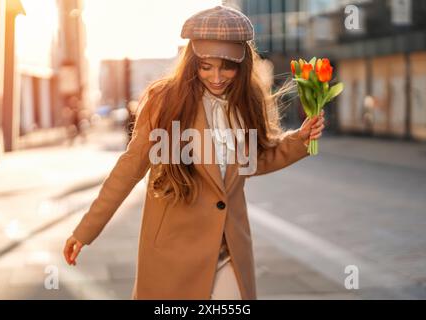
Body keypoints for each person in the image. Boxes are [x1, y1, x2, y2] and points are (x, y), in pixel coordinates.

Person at [63, 5, 325, 300]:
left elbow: (255, 161)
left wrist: (300, 140)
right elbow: (130, 166)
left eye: (227, 66)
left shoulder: (246, 102)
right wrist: (85, 231)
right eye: (206, 66)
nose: (216, 76)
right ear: (192, 62)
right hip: (175, 251)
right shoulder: (165, 100)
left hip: (230, 248)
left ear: (242, 64)